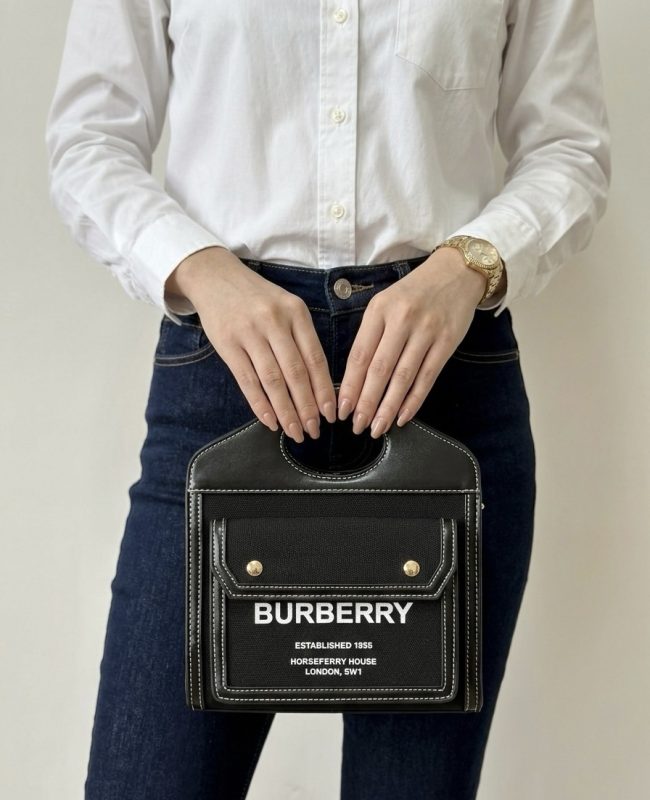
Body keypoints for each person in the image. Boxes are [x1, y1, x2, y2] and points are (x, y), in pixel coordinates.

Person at [45, 1, 611, 798]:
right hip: (227, 381)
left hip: (443, 387)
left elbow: (570, 148)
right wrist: (202, 269)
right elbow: (89, 140)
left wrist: (468, 266)